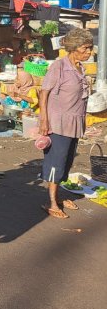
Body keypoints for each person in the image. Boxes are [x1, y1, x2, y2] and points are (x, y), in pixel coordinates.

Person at [38, 28, 93, 219]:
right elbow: (43, 94)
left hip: (74, 122)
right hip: (58, 123)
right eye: (86, 48)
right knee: (56, 162)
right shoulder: (59, 67)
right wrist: (44, 121)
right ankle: (51, 202)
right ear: (74, 48)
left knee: (67, 162)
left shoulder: (80, 67)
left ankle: (58, 196)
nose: (89, 52)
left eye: (90, 48)